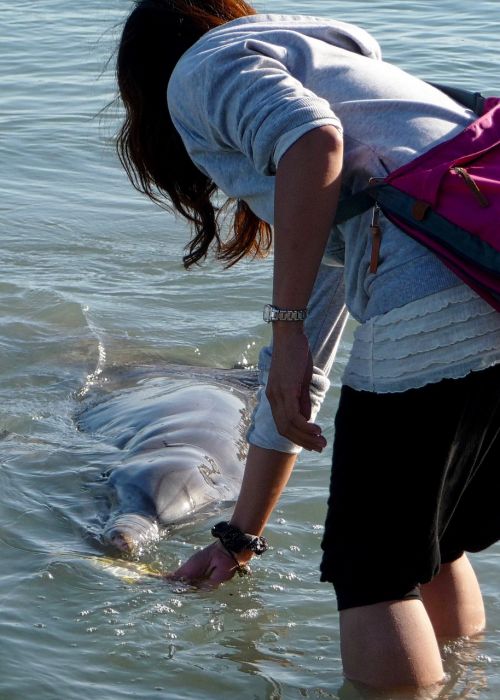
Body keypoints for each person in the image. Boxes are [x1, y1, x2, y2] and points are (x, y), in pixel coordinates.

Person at [115, 0, 500, 689]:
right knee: (433, 548)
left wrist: (284, 324)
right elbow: (300, 374)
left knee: (374, 574)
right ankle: (466, 684)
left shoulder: (202, 70)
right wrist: (238, 539)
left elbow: (310, 139)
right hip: (487, 279)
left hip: (433, 296)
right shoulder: (352, 87)